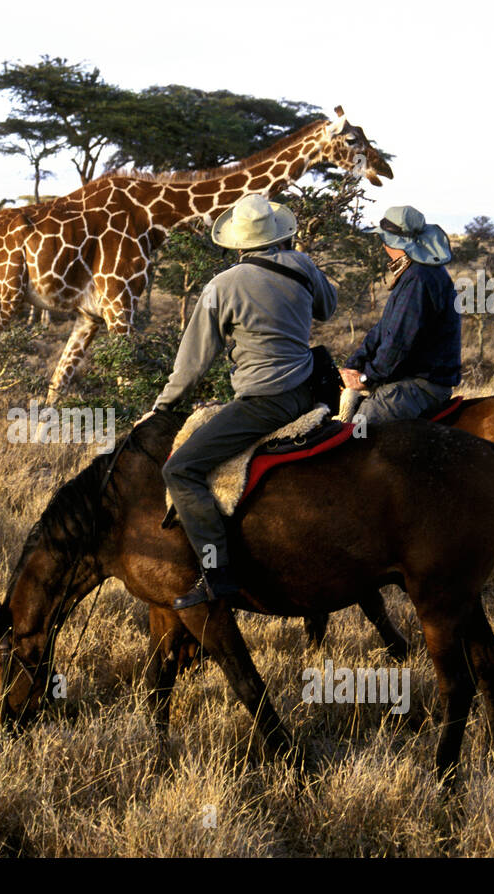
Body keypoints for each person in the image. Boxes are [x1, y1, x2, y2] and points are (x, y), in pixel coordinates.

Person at [150, 193, 337, 609]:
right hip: (312, 392)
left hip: (264, 402)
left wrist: (164, 405)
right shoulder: (302, 265)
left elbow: (193, 362)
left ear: (236, 243)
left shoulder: (223, 285)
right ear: (279, 235)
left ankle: (218, 576)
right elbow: (329, 308)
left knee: (180, 470)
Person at [339, 205, 460, 423]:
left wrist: (366, 378)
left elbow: (398, 342)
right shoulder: (417, 271)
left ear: (391, 242)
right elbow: (383, 329)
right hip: (411, 379)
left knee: (360, 427)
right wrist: (353, 365)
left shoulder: (418, 277)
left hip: (421, 385)